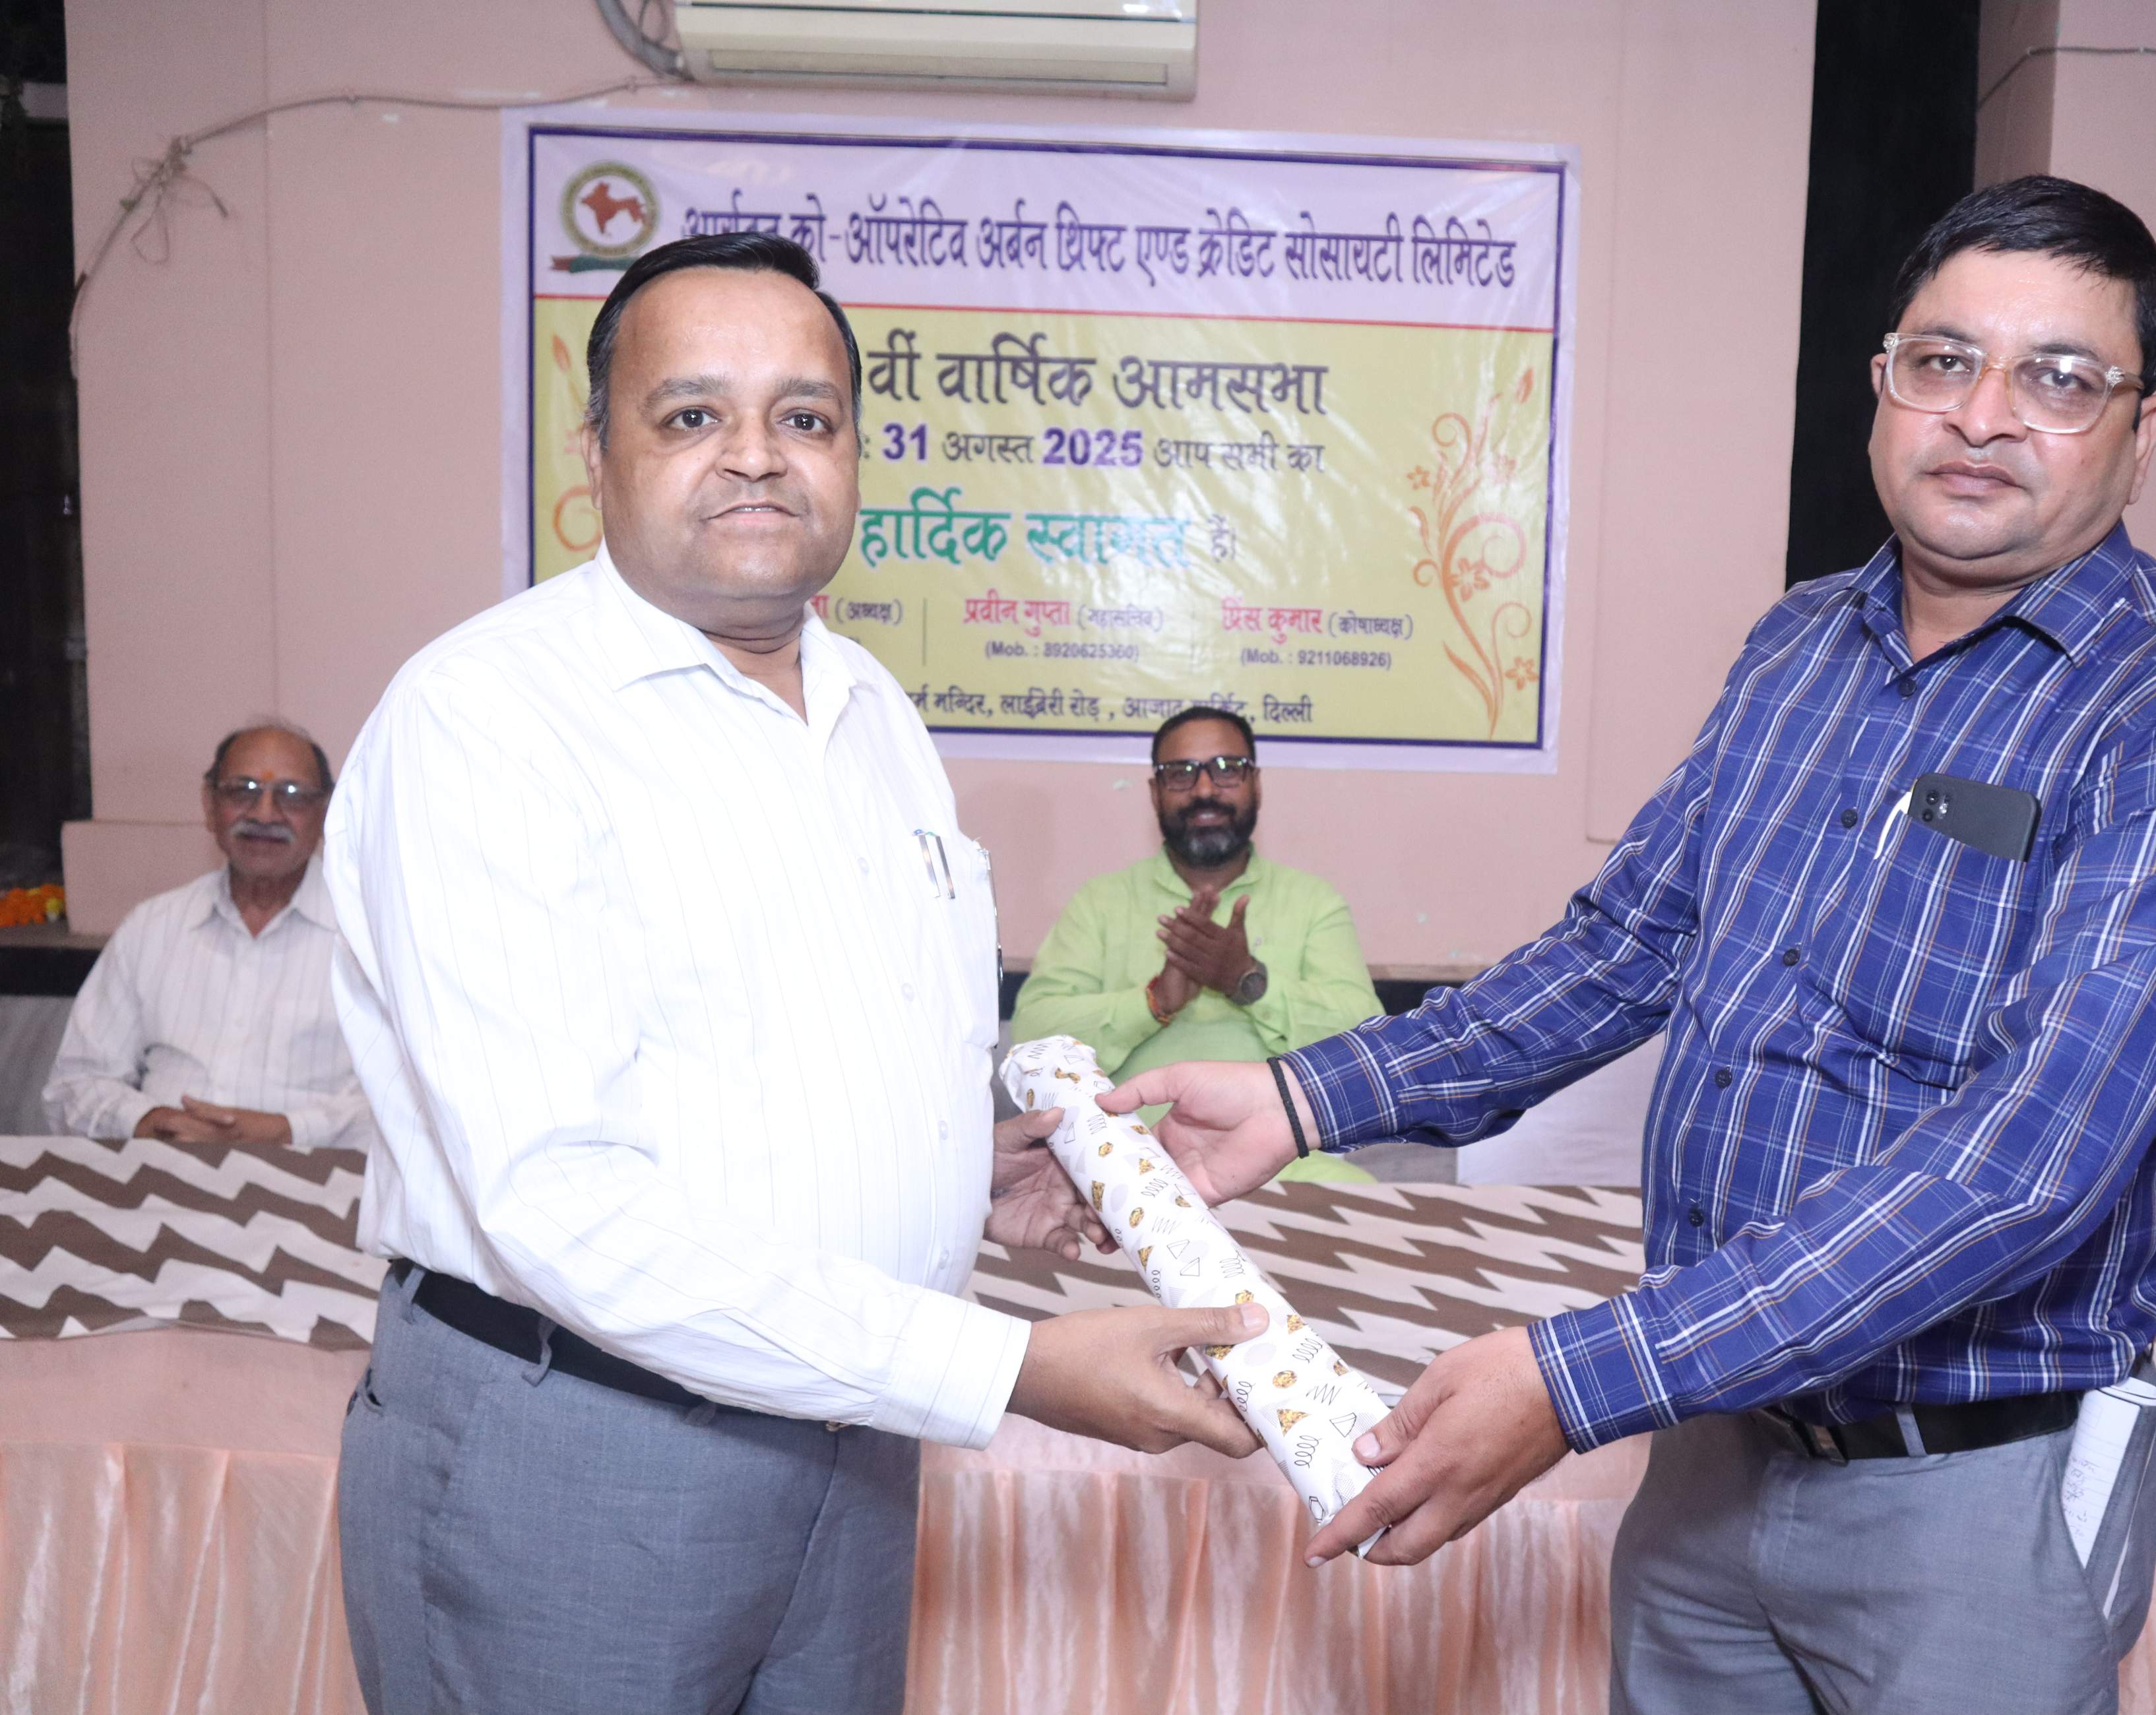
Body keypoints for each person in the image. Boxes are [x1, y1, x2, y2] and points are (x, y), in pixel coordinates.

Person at [1113, 175, 2156, 1714]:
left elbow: (2024, 1161)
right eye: (1943, 361)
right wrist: (1301, 1097)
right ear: (1882, 385)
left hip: (1969, 1496)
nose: (1984, 414)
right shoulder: (1801, 644)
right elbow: (1620, 951)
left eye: (2060, 379)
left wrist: (1578, 1378)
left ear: (2142, 433)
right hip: (1714, 1450)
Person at [326, 231, 1263, 1715]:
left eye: (805, 416)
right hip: (584, 1450)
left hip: (851, 1444)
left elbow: (786, 1045)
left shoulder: (871, 707)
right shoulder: (485, 722)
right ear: (597, 451)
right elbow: (560, 1203)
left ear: (853, 454)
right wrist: (1007, 1369)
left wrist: (954, 1172)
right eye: (693, 413)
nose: (757, 454)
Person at [1011, 704, 1381, 1183]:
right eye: (1181, 773)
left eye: (1227, 769)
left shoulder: (1313, 903)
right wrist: (1153, 1002)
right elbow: (1032, 1040)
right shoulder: (1101, 903)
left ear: (1256, 784)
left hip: (1291, 1171)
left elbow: (1367, 1047)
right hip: (1132, 1172)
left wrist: (1248, 981)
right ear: (1155, 792)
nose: (1205, 789)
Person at [44, 722, 374, 1154]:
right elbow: (74, 1084)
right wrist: (150, 1122)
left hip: (312, 1177)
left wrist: (287, 1130)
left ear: (327, 812)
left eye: (292, 794)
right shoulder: (153, 927)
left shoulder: (369, 939)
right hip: (159, 1169)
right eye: (243, 791)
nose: (265, 814)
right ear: (209, 804)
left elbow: (410, 1104)